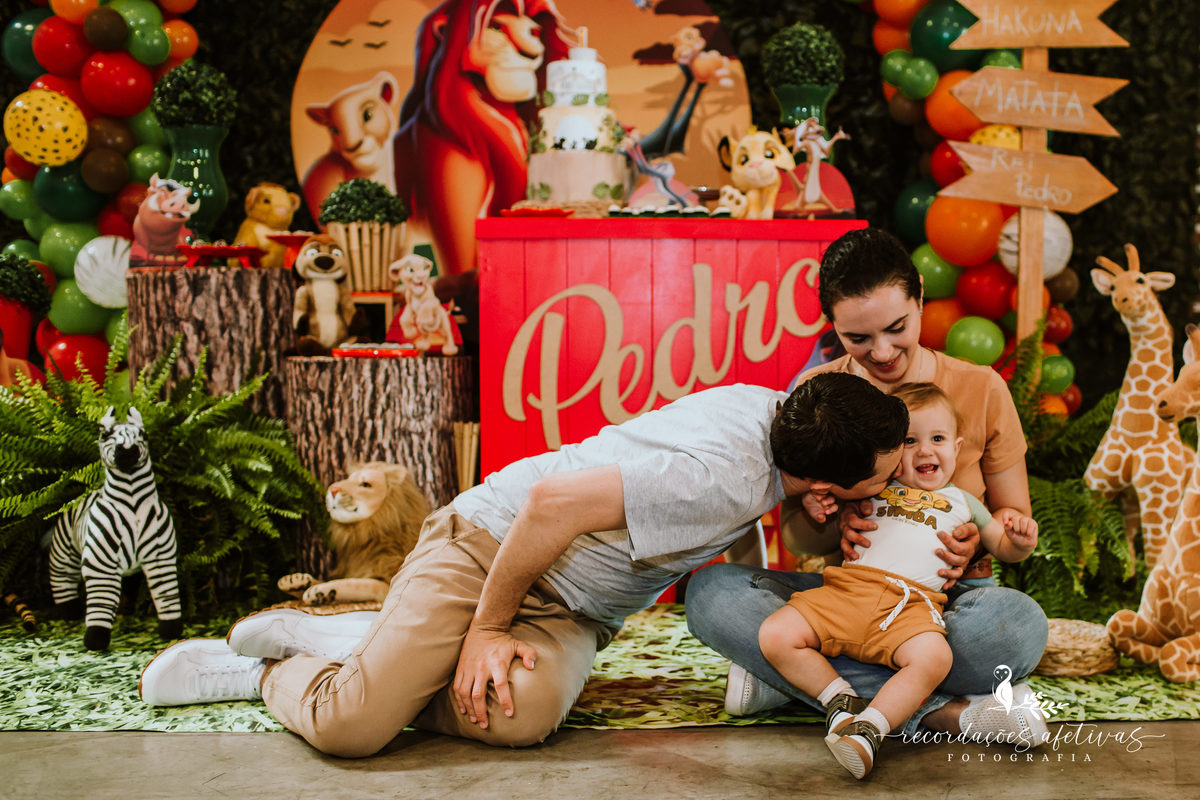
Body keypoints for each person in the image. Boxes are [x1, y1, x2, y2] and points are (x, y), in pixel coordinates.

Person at [139, 372, 908, 757]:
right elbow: (549, 505)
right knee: (353, 726)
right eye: (877, 477)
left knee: (520, 716)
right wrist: (485, 632)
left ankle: (382, 651)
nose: (889, 482)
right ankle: (272, 668)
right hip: (492, 546)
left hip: (573, 607)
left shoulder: (783, 413)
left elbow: (731, 533)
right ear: (823, 477)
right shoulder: (719, 476)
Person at [685, 227, 1050, 744]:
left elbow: (1014, 524)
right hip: (844, 600)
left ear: (920, 294)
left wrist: (980, 541)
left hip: (942, 608)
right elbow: (796, 538)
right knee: (710, 594)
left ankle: (795, 680)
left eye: (897, 328)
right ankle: (943, 713)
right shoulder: (818, 394)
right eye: (857, 338)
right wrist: (832, 521)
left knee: (1019, 627)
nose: (881, 352)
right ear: (832, 326)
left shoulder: (983, 388)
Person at [759, 383, 1039, 779]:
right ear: (889, 452)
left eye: (938, 439)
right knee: (774, 634)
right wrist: (820, 507)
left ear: (957, 448)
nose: (925, 451)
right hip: (845, 593)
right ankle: (840, 700)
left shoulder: (965, 503)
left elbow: (1002, 545)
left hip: (910, 607)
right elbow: (816, 510)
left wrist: (1020, 543)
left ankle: (870, 728)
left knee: (936, 658)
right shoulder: (873, 487)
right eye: (910, 441)